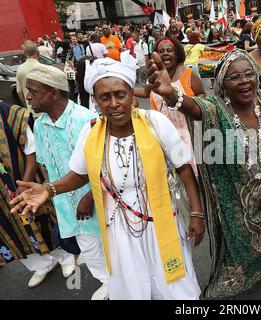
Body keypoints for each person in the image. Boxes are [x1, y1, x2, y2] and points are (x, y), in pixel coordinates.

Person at [11, 56, 205, 300]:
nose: (114, 104)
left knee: (174, 286)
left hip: (163, 221)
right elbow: (79, 175)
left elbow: (184, 168)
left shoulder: (156, 123)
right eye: (105, 97)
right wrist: (49, 189)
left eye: (120, 94)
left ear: (130, 95)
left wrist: (197, 213)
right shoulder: (91, 132)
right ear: (96, 100)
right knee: (134, 285)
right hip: (120, 228)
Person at [146, 49, 261, 299]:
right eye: (235, 77)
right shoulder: (217, 109)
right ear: (222, 84)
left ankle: (260, 269)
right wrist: (172, 93)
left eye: (249, 74)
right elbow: (195, 108)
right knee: (236, 252)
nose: (244, 81)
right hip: (234, 199)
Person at [25, 64, 109, 300]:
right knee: (89, 249)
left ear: (54, 92)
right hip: (66, 205)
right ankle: (107, 281)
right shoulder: (40, 124)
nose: (28, 96)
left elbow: (104, 163)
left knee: (115, 245)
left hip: (98, 199)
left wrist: (90, 196)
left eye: (34, 90)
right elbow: (45, 164)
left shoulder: (87, 119)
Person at [0, 99, 75, 288]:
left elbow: (31, 151)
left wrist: (25, 184)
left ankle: (65, 257)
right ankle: (41, 265)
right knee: (10, 233)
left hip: (23, 185)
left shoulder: (10, 113)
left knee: (40, 223)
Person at [134, 37, 205, 176]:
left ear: (177, 54)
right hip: (164, 135)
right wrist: (124, 89)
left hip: (190, 134)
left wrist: (188, 102)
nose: (165, 53)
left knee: (194, 176)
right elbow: (145, 92)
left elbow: (202, 96)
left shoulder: (189, 75)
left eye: (169, 50)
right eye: (161, 51)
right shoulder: (154, 78)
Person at [16, 40, 41, 110]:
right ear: (37, 52)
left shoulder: (20, 69)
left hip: (31, 109)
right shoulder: (42, 68)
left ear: (25, 53)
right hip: (45, 111)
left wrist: (27, 106)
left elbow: (19, 92)